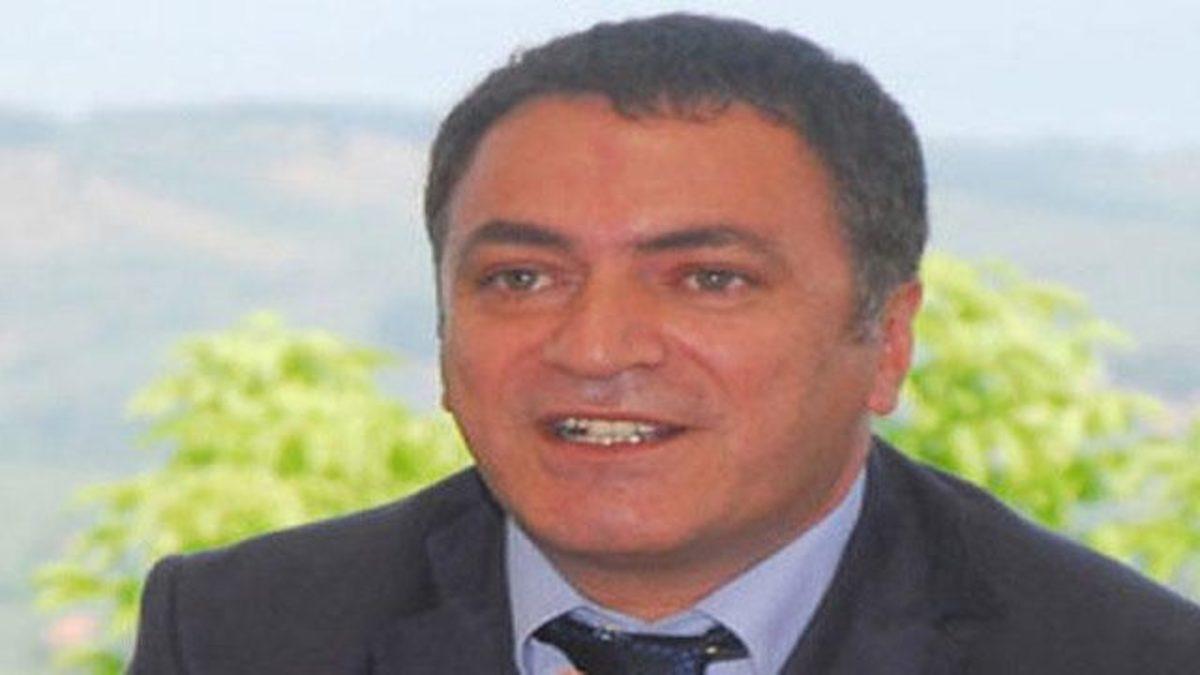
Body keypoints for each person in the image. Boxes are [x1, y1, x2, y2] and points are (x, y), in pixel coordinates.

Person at [129, 13, 1200, 675]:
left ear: (886, 339)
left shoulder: (1120, 656)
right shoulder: (239, 635)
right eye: (522, 278)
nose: (596, 348)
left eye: (708, 279)